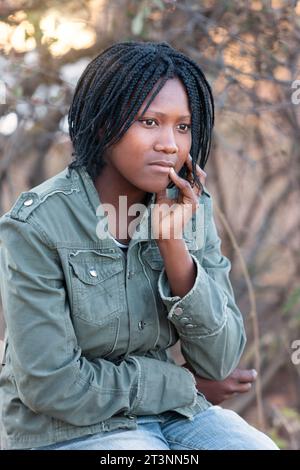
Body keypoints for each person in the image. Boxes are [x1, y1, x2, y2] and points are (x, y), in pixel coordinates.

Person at [0, 41, 278, 450]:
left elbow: (220, 360)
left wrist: (172, 243)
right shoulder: (38, 224)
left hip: (172, 417)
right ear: (103, 125)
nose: (170, 143)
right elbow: (51, 384)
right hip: (65, 429)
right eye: (150, 122)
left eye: (182, 126)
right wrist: (183, 384)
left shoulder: (191, 210)